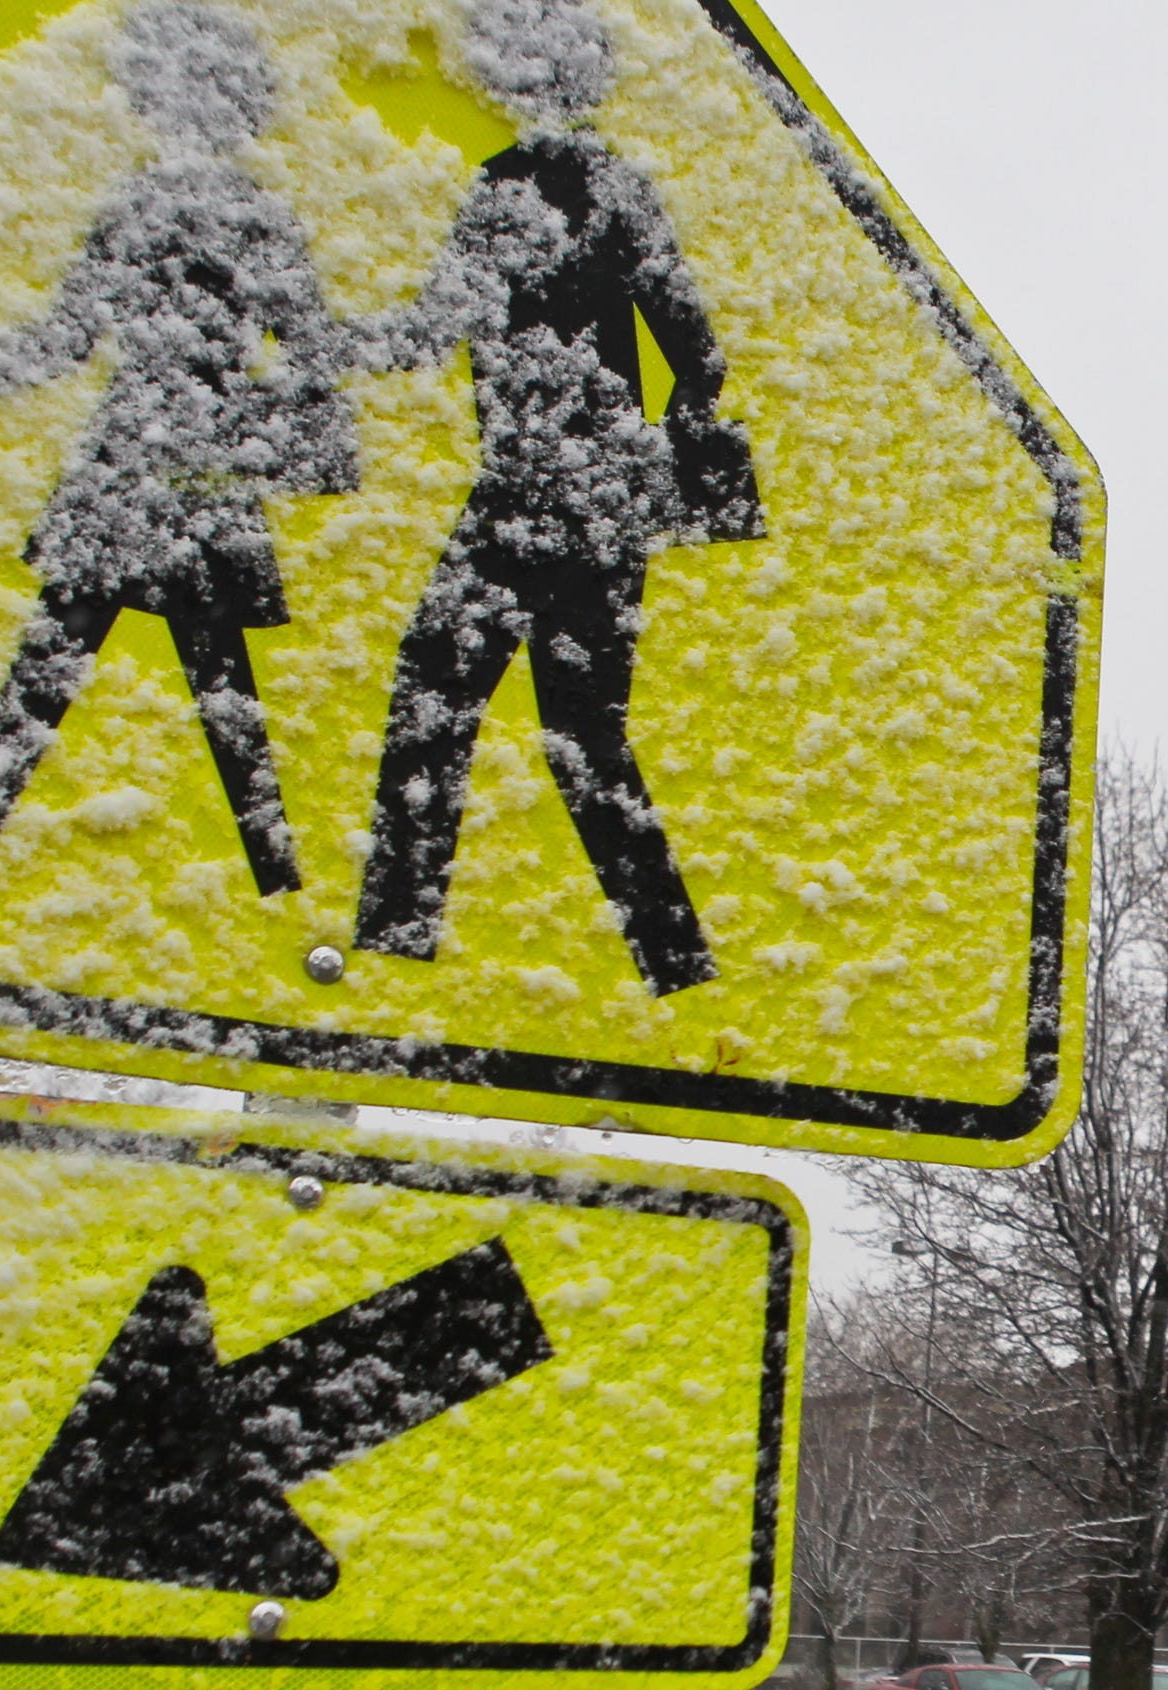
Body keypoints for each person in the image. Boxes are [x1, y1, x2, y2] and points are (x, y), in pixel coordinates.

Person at [352, 0, 762, 996]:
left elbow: (686, 349)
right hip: (574, 502)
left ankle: (403, 937)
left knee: (460, 711)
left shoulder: (536, 189)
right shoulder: (577, 188)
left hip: (548, 498)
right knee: (550, 728)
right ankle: (672, 966)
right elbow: (692, 355)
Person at [0, 0, 353, 897]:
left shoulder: (228, 215)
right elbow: (70, 332)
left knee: (141, 665)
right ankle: (273, 871)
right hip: (166, 460)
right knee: (137, 663)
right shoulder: (201, 210)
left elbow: (312, 352)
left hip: (162, 462)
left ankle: (272, 871)